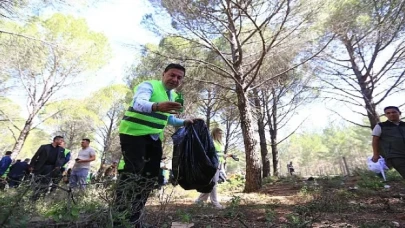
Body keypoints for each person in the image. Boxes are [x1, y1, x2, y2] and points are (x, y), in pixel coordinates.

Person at [115, 63, 198, 227]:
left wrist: (186, 122)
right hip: (134, 134)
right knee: (133, 172)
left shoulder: (173, 96)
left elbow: (168, 119)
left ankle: (135, 217)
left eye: (179, 77)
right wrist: (157, 106)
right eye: (172, 75)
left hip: (153, 138)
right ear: (164, 74)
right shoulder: (149, 86)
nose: (175, 79)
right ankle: (119, 216)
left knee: (150, 176)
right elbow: (138, 103)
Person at [195, 128, 233, 209]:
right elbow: (210, 154)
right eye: (219, 133)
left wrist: (228, 155)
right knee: (214, 184)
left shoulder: (220, 143)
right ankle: (215, 203)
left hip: (219, 164)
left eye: (221, 133)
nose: (221, 135)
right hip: (213, 164)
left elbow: (220, 154)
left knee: (211, 183)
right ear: (214, 133)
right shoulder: (211, 142)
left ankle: (199, 201)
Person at [372, 106, 405, 179]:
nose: (391, 114)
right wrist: (376, 154)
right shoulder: (381, 126)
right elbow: (375, 140)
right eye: (388, 113)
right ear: (385, 115)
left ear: (399, 113)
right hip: (395, 156)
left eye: (394, 112)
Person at [30, 136, 66, 200]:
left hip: (51, 168)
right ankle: (32, 196)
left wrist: (59, 165)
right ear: (56, 140)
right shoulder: (44, 147)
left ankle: (40, 198)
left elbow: (63, 158)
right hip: (40, 167)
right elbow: (36, 156)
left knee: (46, 183)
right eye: (61, 140)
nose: (62, 142)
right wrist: (31, 166)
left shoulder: (61, 150)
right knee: (36, 181)